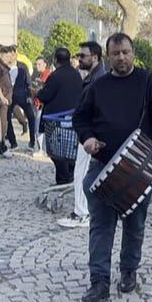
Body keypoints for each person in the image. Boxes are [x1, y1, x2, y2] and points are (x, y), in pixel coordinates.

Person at [72, 33, 152, 302]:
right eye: (116, 53)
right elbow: (80, 118)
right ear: (108, 55)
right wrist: (88, 139)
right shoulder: (97, 86)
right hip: (103, 164)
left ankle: (129, 271)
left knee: (135, 225)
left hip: (139, 168)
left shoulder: (150, 82)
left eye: (126, 52)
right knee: (101, 226)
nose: (121, 57)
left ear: (133, 53)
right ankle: (99, 281)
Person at [58, 41, 106, 228]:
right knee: (82, 171)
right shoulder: (94, 76)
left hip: (90, 134)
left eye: (83, 56)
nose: (79, 59)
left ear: (95, 57)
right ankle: (82, 211)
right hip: (88, 132)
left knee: (81, 172)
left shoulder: (98, 78)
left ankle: (81, 213)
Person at [38, 48, 84, 183]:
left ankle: (64, 178)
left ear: (55, 60)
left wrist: (38, 92)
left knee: (57, 152)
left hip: (56, 120)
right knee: (68, 151)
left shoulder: (55, 76)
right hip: (72, 119)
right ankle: (68, 174)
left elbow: (46, 95)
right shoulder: (76, 75)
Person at [6, 47, 37, 151]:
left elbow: (28, 82)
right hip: (9, 96)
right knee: (7, 118)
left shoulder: (22, 66)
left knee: (31, 117)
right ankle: (13, 142)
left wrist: (29, 95)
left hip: (22, 95)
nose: (10, 57)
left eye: (11, 54)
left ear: (15, 54)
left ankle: (32, 142)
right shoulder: (4, 67)